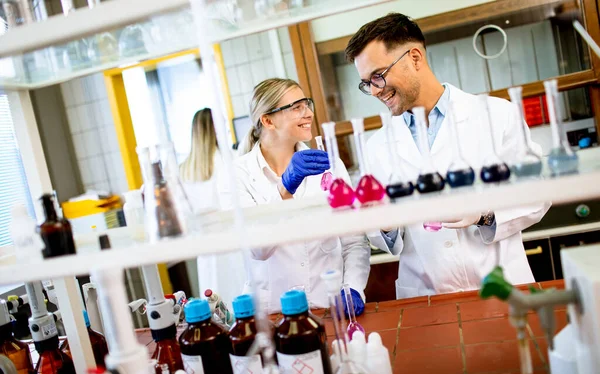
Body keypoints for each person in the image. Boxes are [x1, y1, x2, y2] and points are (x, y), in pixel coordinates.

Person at [345, 13, 551, 299]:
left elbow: (539, 191)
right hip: (425, 296)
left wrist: (484, 214)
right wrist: (384, 223)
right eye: (367, 83)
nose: (375, 91)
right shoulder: (377, 146)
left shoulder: (497, 115)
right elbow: (382, 236)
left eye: (378, 76)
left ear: (415, 57)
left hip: (502, 286)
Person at [220, 78, 370, 314]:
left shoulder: (330, 165)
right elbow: (257, 249)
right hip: (272, 313)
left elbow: (353, 240)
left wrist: (352, 287)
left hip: (329, 308)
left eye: (307, 104)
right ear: (268, 120)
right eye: (296, 107)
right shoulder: (236, 175)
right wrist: (284, 189)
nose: (308, 113)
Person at [180, 108, 245, 308]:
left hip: (205, 245)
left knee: (215, 302)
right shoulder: (232, 158)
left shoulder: (183, 170)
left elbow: (184, 215)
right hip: (234, 239)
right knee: (242, 299)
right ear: (215, 130)